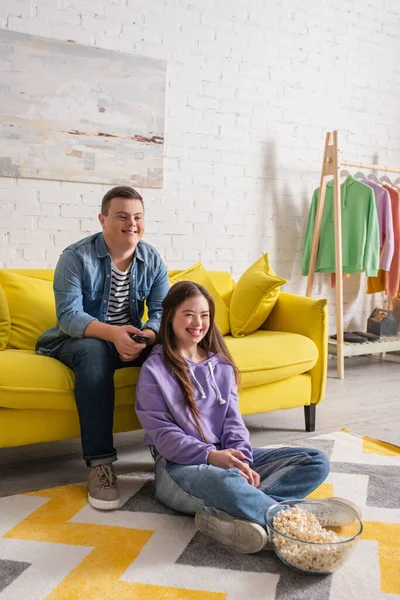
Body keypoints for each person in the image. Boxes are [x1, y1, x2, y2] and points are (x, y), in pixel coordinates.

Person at [135, 281, 362, 554]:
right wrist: (211, 457)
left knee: (315, 462)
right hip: (177, 466)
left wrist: (243, 459)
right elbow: (164, 437)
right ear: (170, 315)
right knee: (226, 483)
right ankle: (299, 525)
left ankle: (241, 518)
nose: (198, 322)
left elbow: (233, 419)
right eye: (188, 314)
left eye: (205, 315)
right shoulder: (155, 369)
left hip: (225, 455)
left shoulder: (221, 364)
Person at [36, 186, 169, 511]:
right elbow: (69, 317)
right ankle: (100, 464)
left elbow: (164, 311)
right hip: (76, 342)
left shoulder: (151, 258)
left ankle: (171, 453)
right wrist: (114, 335)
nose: (132, 224)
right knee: (94, 351)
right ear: (103, 219)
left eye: (137, 217)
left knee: (169, 355)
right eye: (122, 216)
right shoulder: (76, 256)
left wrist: (147, 338)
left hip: (131, 339)